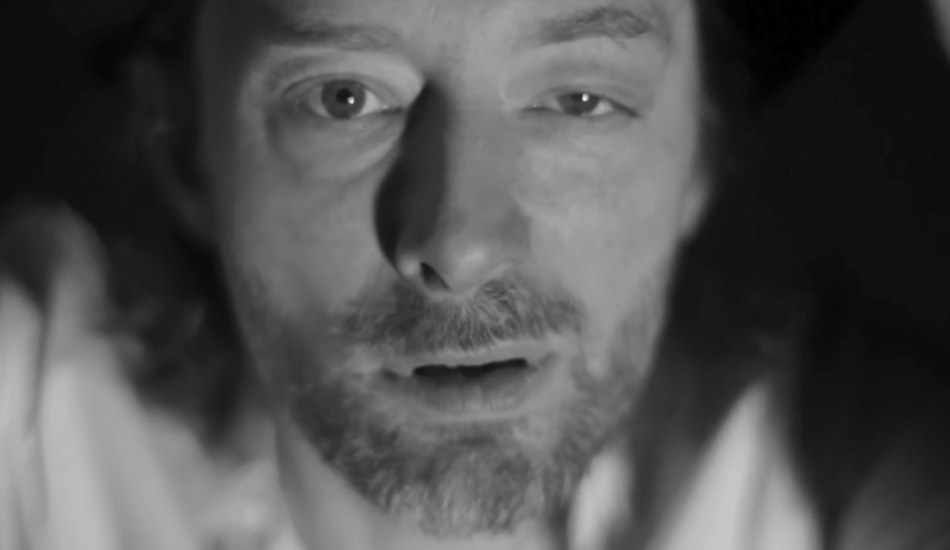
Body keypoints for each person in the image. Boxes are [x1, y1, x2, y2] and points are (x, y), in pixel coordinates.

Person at [1, 1, 948, 550]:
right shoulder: (37, 427)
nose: (460, 248)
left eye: (580, 98)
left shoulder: (839, 467)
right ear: (183, 147)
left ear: (702, 150)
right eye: (344, 98)